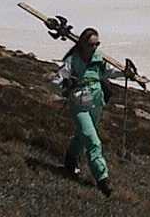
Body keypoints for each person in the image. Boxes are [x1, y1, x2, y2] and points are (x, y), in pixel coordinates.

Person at [51, 27, 135, 197]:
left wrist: (124, 73)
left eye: (97, 44)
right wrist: (64, 83)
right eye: (91, 44)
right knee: (92, 139)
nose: (95, 47)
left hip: (96, 102)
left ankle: (70, 161)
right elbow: (58, 79)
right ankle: (103, 179)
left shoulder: (99, 59)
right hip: (78, 102)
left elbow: (107, 73)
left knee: (83, 134)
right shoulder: (73, 60)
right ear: (82, 44)